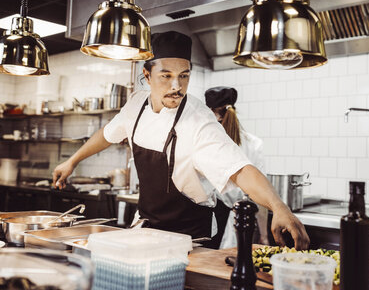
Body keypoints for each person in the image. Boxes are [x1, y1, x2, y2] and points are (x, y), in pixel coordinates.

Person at [52, 31, 309, 249]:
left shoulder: (199, 120)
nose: (177, 85)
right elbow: (107, 134)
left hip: (190, 239)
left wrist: (279, 206)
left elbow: (240, 169)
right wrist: (72, 161)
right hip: (146, 228)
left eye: (184, 76)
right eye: (166, 75)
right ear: (147, 74)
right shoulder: (136, 105)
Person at [204, 86, 269, 248]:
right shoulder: (253, 144)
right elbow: (259, 195)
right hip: (242, 223)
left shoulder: (206, 142)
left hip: (208, 225)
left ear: (210, 112)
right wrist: (264, 235)